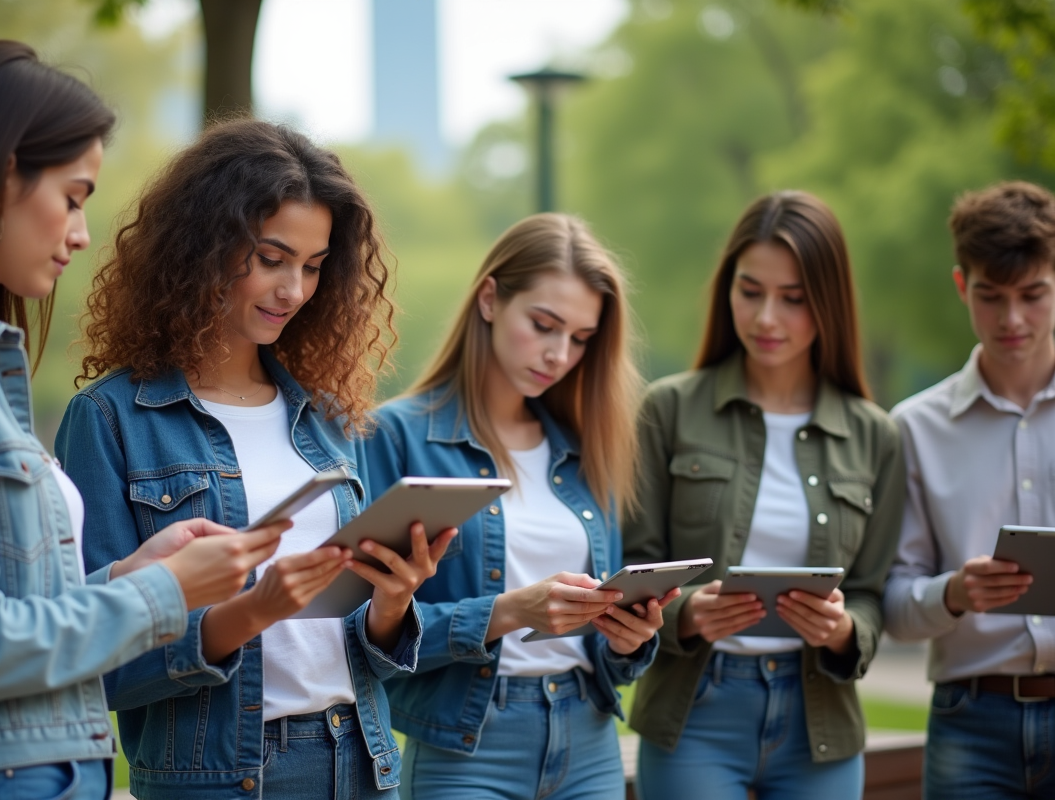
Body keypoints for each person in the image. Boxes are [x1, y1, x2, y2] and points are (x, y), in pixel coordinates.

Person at [0, 41, 286, 800]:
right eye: (74, 195)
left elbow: (15, 608)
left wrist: (136, 571)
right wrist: (166, 595)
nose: (82, 233)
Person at [54, 118, 452, 800]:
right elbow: (95, 659)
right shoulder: (110, 418)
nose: (294, 291)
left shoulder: (329, 418)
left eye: (313, 266)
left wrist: (392, 601)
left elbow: (362, 646)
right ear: (202, 249)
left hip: (361, 759)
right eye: (272, 258)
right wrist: (250, 611)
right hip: (218, 776)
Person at [364, 213, 671, 799]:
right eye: (544, 324)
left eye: (581, 339)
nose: (559, 354)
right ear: (489, 299)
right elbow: (371, 638)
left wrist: (629, 639)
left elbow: (607, 652)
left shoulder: (587, 447)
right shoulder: (394, 436)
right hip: (468, 747)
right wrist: (508, 612)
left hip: (588, 738)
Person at [623, 191, 906, 800]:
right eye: (750, 291)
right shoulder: (669, 409)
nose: (766, 318)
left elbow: (872, 592)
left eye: (794, 298)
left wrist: (842, 630)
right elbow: (632, 566)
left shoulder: (874, 435)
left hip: (820, 721)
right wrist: (687, 613)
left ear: (827, 301)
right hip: (695, 710)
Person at [884, 181, 1055, 800]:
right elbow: (895, 610)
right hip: (970, 724)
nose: (1012, 319)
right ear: (962, 287)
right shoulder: (914, 429)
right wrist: (955, 593)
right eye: (992, 296)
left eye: (1033, 295)